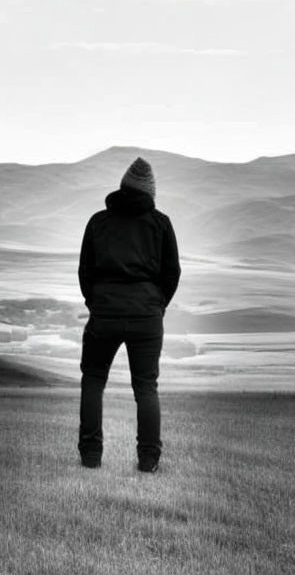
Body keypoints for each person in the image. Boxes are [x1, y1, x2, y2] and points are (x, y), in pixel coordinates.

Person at [77, 157, 181, 473]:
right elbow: (172, 272)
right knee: (146, 387)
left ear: (122, 188)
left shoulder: (98, 222)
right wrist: (157, 305)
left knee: (93, 380)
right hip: (146, 317)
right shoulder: (161, 223)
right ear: (150, 193)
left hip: (104, 314)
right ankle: (148, 459)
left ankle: (91, 455)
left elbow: (84, 271)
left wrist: (95, 302)